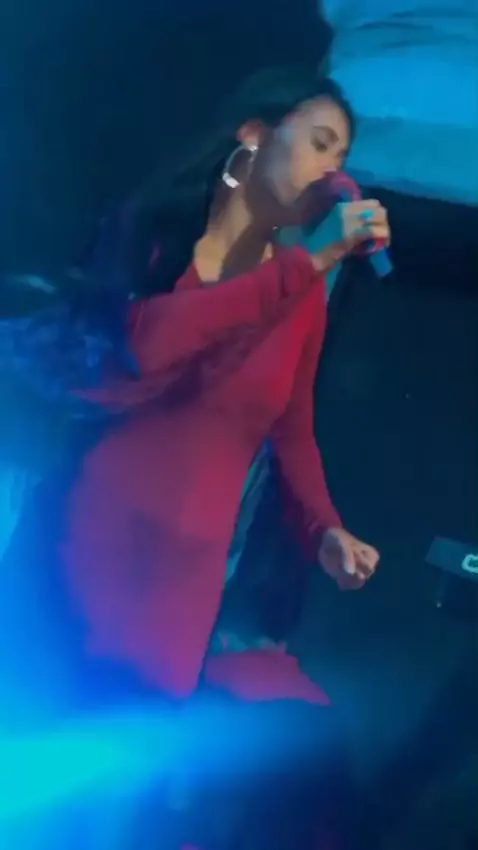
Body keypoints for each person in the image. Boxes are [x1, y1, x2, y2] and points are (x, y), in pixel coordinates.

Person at [0, 66, 388, 849]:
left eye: (341, 156)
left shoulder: (300, 298)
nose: (332, 169)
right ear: (254, 134)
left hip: (178, 597)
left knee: (116, 808)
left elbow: (293, 432)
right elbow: (141, 356)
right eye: (320, 142)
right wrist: (307, 263)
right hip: (77, 563)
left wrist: (325, 529)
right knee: (28, 776)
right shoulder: (153, 237)